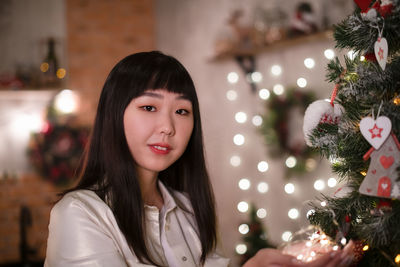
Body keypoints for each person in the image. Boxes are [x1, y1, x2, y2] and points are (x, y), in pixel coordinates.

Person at [44, 51, 354, 267]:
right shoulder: (79, 214)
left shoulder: (188, 208)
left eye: (182, 111)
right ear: (114, 115)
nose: (168, 127)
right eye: (149, 107)